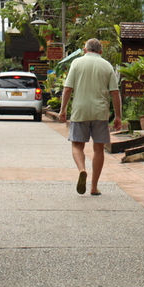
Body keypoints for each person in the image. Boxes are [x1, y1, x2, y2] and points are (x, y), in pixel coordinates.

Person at [59, 38, 121, 196]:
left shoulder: (77, 63)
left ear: (85, 50)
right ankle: (94, 186)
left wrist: (63, 110)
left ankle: (82, 170)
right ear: (100, 51)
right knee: (98, 148)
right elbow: (115, 92)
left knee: (77, 146)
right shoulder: (107, 65)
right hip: (100, 112)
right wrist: (118, 116)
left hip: (80, 111)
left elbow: (67, 89)